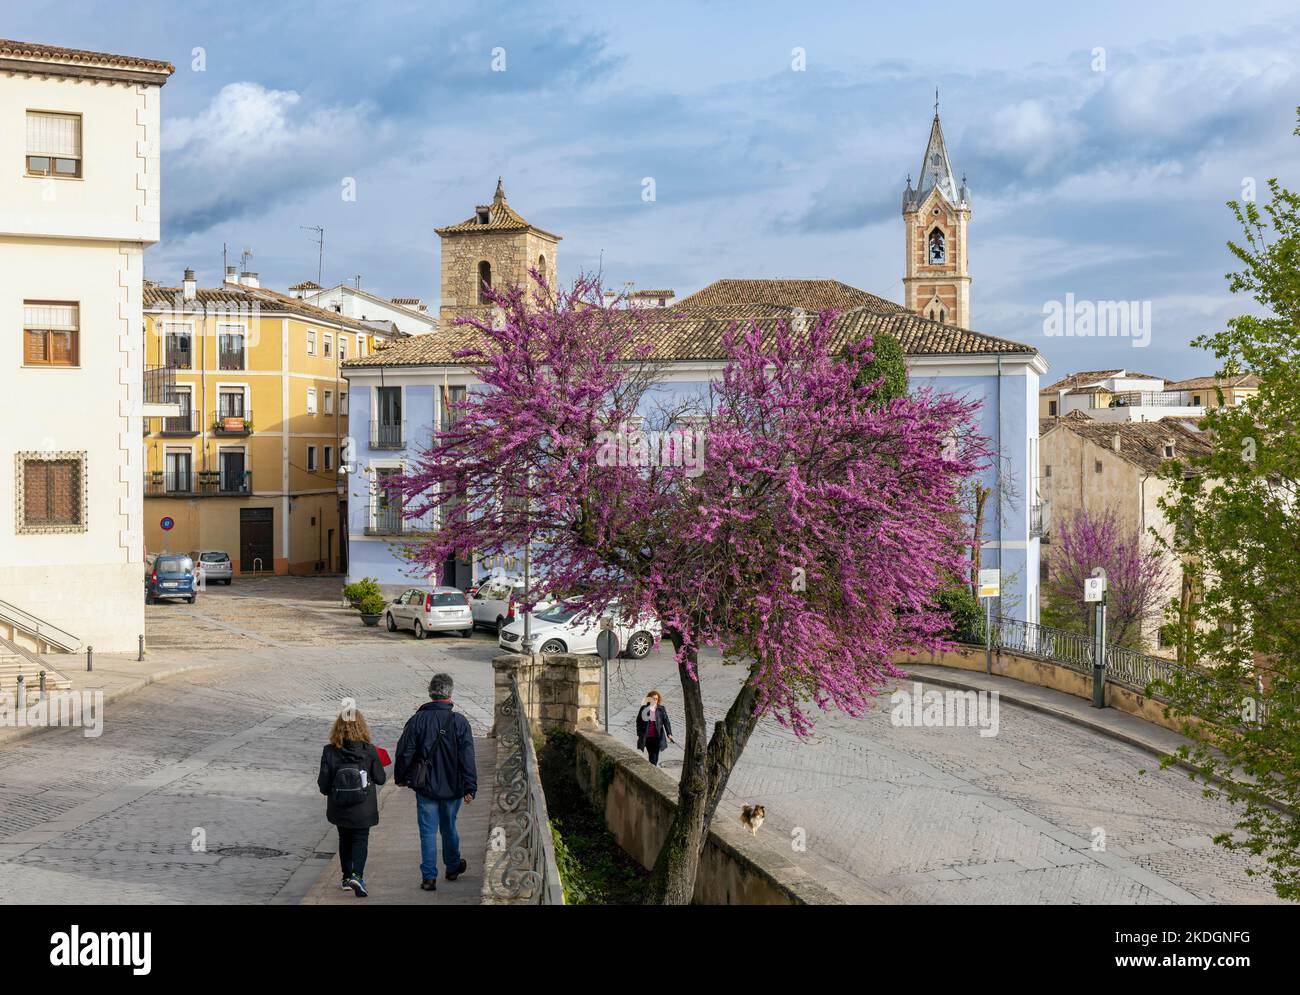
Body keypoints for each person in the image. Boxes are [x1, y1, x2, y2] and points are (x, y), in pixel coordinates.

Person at [394, 673, 477, 892]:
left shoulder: (417, 720)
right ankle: (452, 866)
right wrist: (470, 786)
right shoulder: (459, 722)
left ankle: (429, 877)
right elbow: (467, 757)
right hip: (452, 785)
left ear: (431, 693)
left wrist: (401, 778)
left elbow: (404, 752)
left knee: (427, 831)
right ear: (450, 693)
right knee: (449, 826)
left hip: (426, 786)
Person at [318, 708, 387, 898]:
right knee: (360, 839)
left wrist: (331, 792)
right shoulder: (369, 750)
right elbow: (380, 779)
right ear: (362, 726)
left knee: (344, 839)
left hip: (340, 806)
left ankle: (346, 877)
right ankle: (358, 875)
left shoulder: (329, 751)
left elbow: (323, 784)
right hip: (363, 807)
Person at [636, 690, 674, 766]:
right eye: (653, 699)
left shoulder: (661, 709)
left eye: (656, 699)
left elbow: (666, 722)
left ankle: (653, 767)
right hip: (648, 737)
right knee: (652, 755)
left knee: (656, 756)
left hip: (658, 737)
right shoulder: (644, 709)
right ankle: (653, 769)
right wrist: (639, 733)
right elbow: (638, 721)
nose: (655, 700)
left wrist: (669, 734)